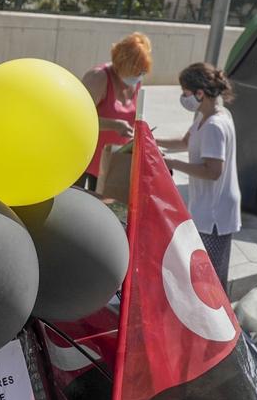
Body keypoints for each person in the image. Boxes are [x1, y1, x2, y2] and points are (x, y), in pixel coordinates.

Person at [162, 62, 241, 288]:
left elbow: (213, 171)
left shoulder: (215, 125)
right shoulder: (204, 116)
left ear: (199, 93)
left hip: (214, 214)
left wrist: (172, 163)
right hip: (205, 208)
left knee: (209, 282)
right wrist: (149, 139)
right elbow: (186, 142)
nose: (183, 97)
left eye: (185, 92)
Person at [79, 33, 150, 192]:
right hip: (84, 159)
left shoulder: (136, 79)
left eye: (142, 72)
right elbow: (78, 119)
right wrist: (114, 125)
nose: (138, 75)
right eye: (135, 70)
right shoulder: (98, 77)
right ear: (121, 64)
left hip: (112, 161)